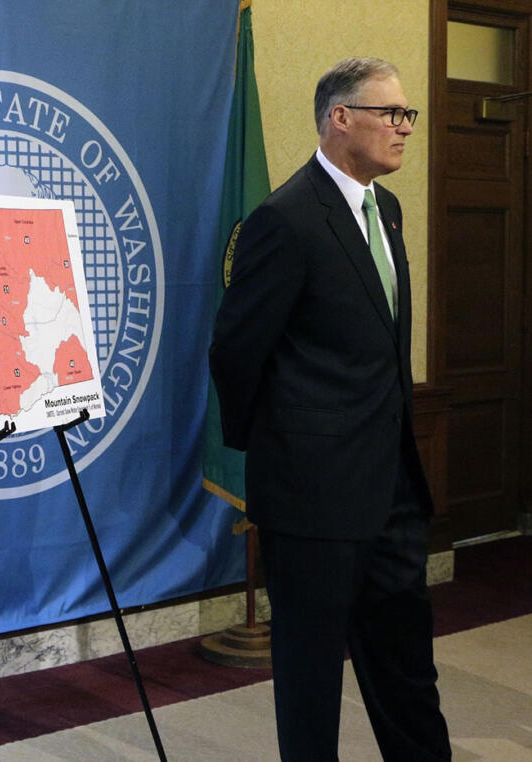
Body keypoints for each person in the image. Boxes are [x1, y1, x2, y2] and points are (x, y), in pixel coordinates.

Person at [209, 57, 451, 760]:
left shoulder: (391, 212)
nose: (405, 127)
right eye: (391, 113)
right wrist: (291, 453)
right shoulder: (285, 221)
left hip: (393, 492)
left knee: (407, 669)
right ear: (339, 118)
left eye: (408, 114)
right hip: (312, 500)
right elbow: (235, 353)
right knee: (312, 680)